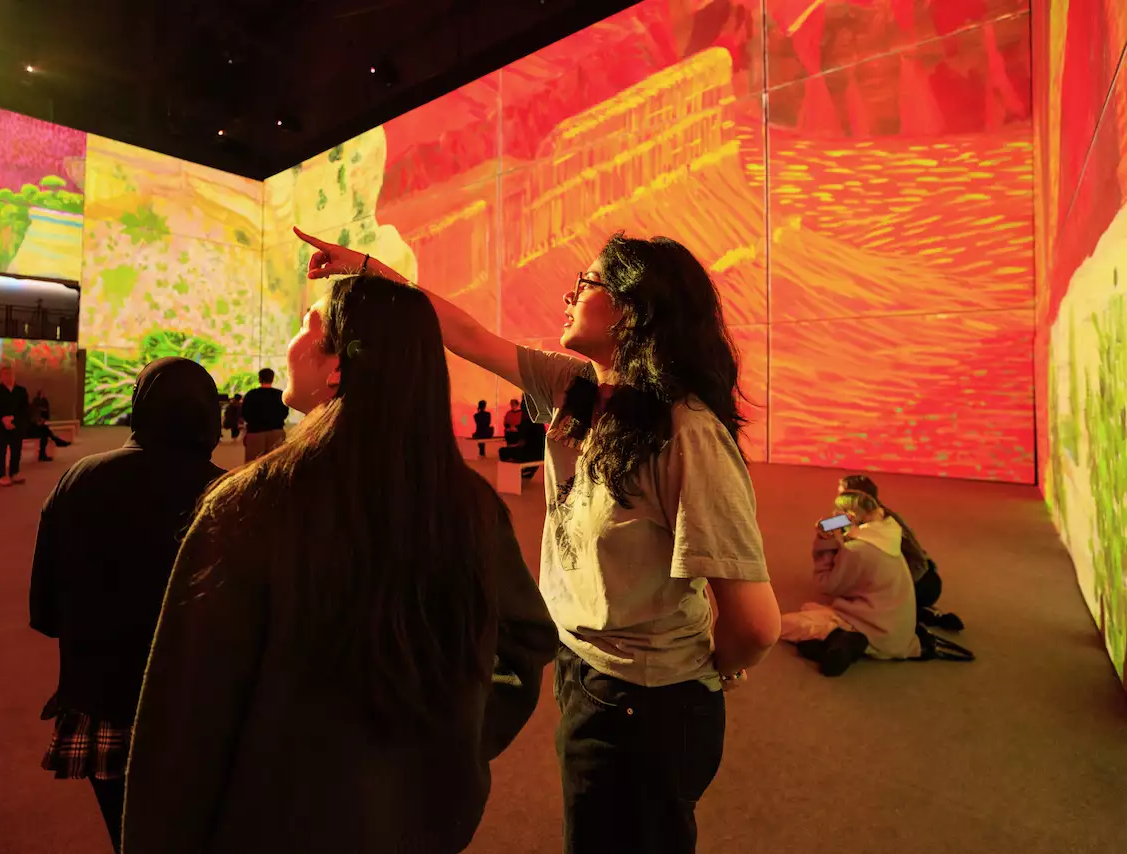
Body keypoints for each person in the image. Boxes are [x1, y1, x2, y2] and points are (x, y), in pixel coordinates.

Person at [294, 227, 781, 854]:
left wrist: (702, 669)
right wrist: (367, 269)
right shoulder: (574, 388)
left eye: (587, 284)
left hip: (647, 705)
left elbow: (757, 624)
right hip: (584, 672)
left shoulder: (687, 433)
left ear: (633, 307)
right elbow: (466, 335)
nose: (570, 296)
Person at [122, 276, 557, 854]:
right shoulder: (471, 507)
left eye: (309, 324)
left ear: (336, 369)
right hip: (427, 824)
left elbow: (183, 721)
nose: (294, 339)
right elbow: (523, 643)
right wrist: (455, 742)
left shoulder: (250, 506)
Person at [30, 358, 226, 853]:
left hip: (104, 709)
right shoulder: (231, 494)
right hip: (201, 713)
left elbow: (45, 613)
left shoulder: (78, 479)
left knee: (130, 837)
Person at [781, 490, 922, 676]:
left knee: (783, 625)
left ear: (849, 516)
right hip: (894, 628)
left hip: (876, 632)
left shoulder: (858, 550)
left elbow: (827, 585)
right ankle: (836, 641)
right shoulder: (886, 534)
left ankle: (840, 639)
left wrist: (825, 541)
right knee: (810, 608)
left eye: (838, 515)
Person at [838, 474, 963, 631]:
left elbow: (918, 562)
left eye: (843, 495)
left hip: (921, 581)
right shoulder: (856, 515)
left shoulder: (887, 523)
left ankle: (921, 614)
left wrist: (897, 588)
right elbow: (825, 526)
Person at [0, 363, 31, 486]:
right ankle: (2, 475)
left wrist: (14, 419)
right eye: (5, 374)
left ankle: (14, 472)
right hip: (0, 426)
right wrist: (2, 418)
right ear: (1, 377)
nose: (8, 376)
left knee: (16, 450)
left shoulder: (21, 391)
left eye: (11, 374)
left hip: (16, 425)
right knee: (1, 451)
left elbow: (25, 409)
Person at [240, 368, 289, 462]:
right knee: (274, 464)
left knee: (253, 466)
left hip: (255, 432)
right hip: (276, 432)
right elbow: (285, 413)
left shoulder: (251, 394)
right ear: (273, 378)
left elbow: (245, 414)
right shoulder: (280, 394)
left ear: (259, 379)